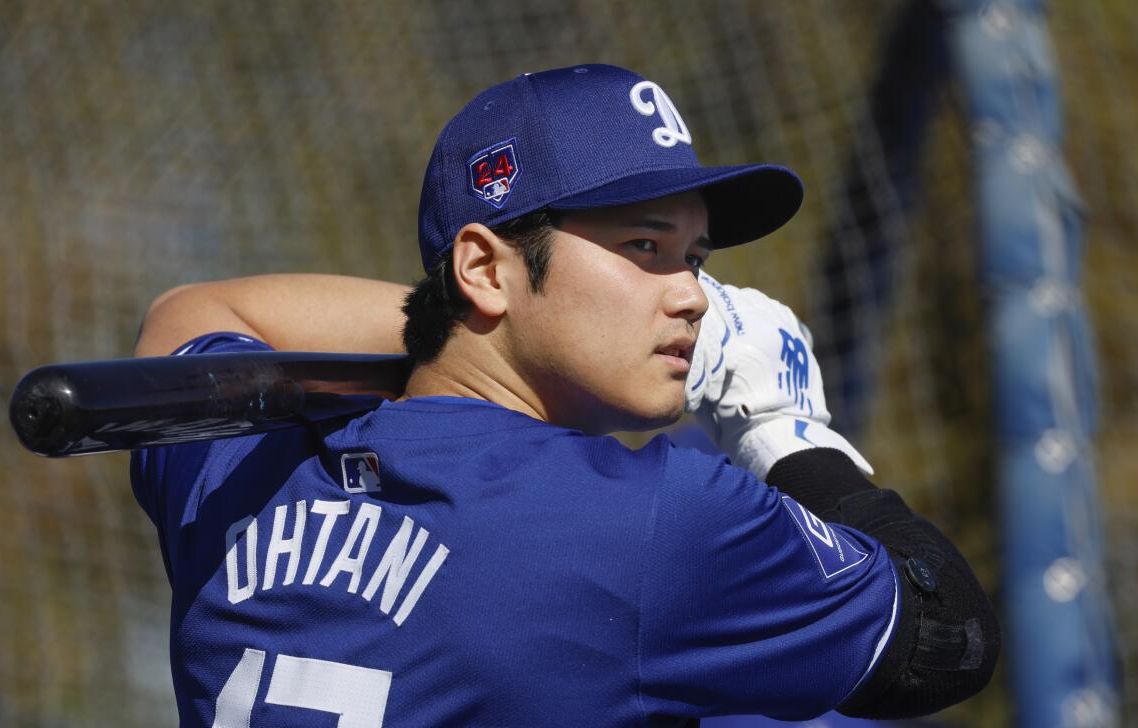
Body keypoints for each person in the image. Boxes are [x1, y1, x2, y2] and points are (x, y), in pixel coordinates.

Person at [132, 64, 998, 727]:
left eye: (696, 259)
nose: (696, 296)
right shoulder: (656, 520)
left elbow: (192, 311)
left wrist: (454, 331)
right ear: (482, 265)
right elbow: (947, 638)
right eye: (644, 246)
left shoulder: (234, 460)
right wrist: (786, 432)